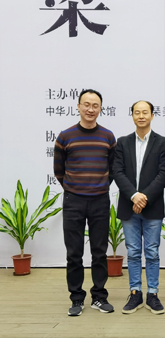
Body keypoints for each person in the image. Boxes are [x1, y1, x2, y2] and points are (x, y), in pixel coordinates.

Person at [54, 89, 117, 316]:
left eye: (95, 105)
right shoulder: (65, 136)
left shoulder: (108, 136)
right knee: (74, 253)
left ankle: (99, 297)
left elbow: (112, 169)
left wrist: (99, 186)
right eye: (86, 104)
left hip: (100, 200)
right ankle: (76, 299)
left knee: (99, 251)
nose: (90, 109)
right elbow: (59, 170)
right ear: (79, 106)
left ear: (100, 108)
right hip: (74, 201)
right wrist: (75, 189)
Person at [113, 100, 165, 315]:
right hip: (129, 207)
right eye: (137, 112)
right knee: (133, 252)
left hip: (152, 207)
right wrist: (134, 196)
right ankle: (135, 293)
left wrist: (144, 197)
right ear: (132, 116)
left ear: (152, 115)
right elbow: (117, 172)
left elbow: (164, 174)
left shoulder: (162, 142)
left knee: (152, 252)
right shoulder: (122, 142)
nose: (141, 116)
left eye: (145, 112)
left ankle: (153, 294)